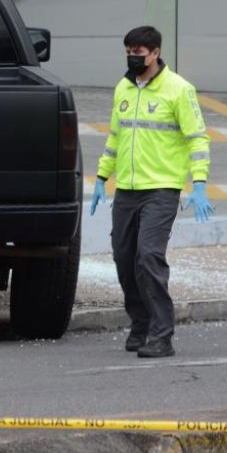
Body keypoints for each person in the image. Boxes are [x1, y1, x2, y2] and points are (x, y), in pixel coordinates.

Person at [91, 25, 213, 359]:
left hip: (161, 188)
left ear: (155, 53)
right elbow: (115, 136)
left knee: (148, 257)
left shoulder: (178, 90)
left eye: (138, 52)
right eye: (128, 51)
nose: (132, 57)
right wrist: (102, 176)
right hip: (127, 189)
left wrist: (198, 183)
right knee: (123, 257)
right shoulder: (123, 89)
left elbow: (197, 139)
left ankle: (162, 334)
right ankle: (140, 322)